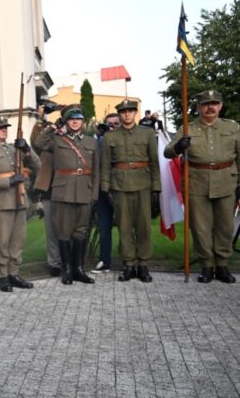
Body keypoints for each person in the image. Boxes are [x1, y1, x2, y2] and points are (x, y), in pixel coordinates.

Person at [164, 90, 239, 283]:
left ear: (220, 106)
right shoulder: (187, 129)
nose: (210, 107)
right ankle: (207, 265)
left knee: (225, 226)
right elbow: (167, 151)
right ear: (198, 108)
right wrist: (179, 146)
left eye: (214, 103)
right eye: (206, 104)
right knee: (200, 227)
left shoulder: (232, 127)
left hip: (226, 180)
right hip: (196, 182)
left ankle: (222, 265)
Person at [34, 105, 99, 285]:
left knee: (81, 231)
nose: (75, 121)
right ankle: (67, 269)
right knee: (63, 231)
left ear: (82, 122)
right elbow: (38, 144)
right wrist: (53, 126)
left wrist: (94, 194)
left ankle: (78, 269)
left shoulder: (91, 142)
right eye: (71, 119)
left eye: (78, 118)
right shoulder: (56, 140)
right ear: (66, 122)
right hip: (63, 191)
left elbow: (97, 171)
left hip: (84, 191)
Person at [0, 116, 41, 292]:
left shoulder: (14, 149)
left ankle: (14, 273)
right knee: (2, 241)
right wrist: (9, 181)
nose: (4, 130)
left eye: (5, 127)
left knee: (18, 240)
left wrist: (27, 149)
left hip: (19, 200)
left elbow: (38, 165)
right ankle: (3, 276)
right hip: (1, 201)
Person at [101, 99, 160, 282]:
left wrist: (156, 186)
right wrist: (105, 187)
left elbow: (154, 162)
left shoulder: (148, 133)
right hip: (120, 185)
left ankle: (143, 265)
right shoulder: (110, 137)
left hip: (143, 184)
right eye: (123, 111)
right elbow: (105, 164)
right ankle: (128, 264)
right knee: (124, 226)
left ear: (135, 113)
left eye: (130, 111)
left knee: (144, 227)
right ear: (119, 114)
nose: (127, 114)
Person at [30, 105, 62, 277]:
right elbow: (36, 141)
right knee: (51, 230)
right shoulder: (47, 140)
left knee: (68, 228)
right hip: (50, 188)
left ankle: (69, 260)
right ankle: (54, 263)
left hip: (68, 189)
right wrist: (43, 119)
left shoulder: (71, 138)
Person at [92, 113, 120, 274]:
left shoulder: (124, 141)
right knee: (104, 227)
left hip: (121, 188)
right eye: (109, 124)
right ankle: (104, 261)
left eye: (116, 124)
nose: (112, 127)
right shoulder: (99, 142)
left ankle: (130, 261)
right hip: (103, 190)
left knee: (127, 226)